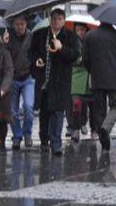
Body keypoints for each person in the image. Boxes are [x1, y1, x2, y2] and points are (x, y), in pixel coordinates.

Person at [30, 9, 80, 156]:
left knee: (58, 112)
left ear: (63, 21)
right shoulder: (40, 35)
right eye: (54, 19)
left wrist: (61, 48)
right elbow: (32, 53)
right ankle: (44, 141)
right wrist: (36, 60)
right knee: (44, 112)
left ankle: (56, 143)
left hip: (60, 82)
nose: (56, 21)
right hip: (44, 80)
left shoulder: (70, 36)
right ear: (50, 20)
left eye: (59, 19)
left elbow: (75, 55)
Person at [83, 22, 116, 151]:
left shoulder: (90, 36)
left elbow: (85, 60)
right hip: (115, 79)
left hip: (97, 78)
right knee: (115, 107)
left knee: (99, 110)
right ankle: (106, 128)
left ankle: (103, 139)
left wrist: (93, 70)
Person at [7, 16, 35, 150]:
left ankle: (27, 133)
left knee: (29, 107)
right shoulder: (8, 37)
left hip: (28, 77)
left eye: (22, 24)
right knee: (12, 111)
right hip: (12, 78)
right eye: (17, 24)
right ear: (13, 24)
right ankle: (17, 136)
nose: (19, 27)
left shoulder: (31, 37)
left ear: (26, 24)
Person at [68, 23, 95, 143]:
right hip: (76, 77)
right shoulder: (71, 42)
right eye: (77, 30)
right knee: (76, 104)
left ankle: (91, 128)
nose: (80, 32)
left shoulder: (91, 41)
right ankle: (76, 128)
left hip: (89, 78)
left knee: (91, 105)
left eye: (82, 30)